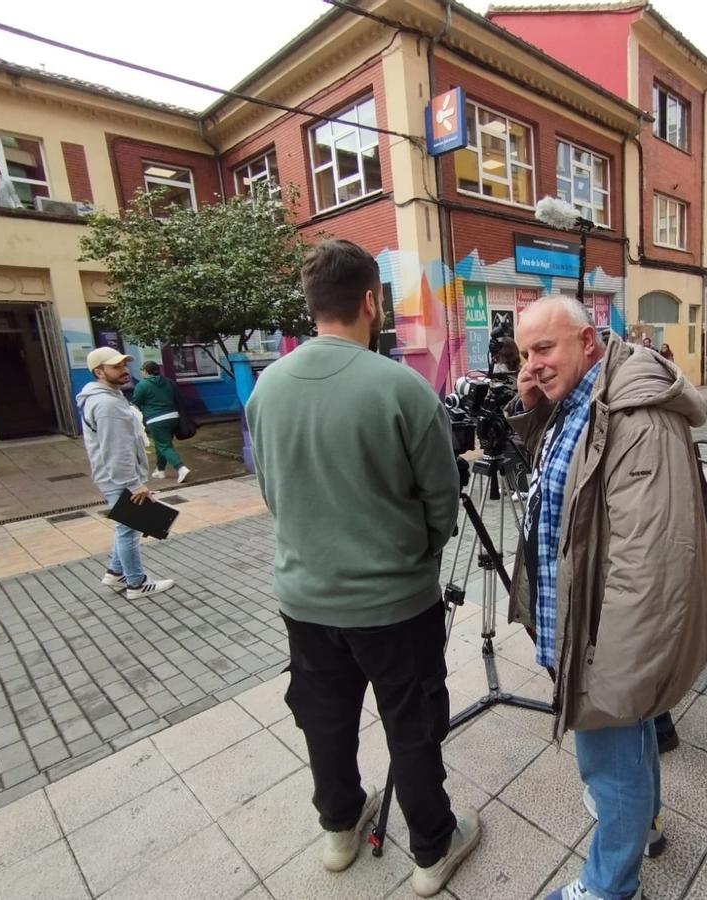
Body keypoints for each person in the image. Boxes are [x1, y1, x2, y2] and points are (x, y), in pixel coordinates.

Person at [246, 239, 479, 896]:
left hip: (305, 600)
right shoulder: (402, 388)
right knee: (412, 722)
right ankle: (432, 850)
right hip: (397, 605)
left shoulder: (267, 390)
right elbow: (442, 498)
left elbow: (272, 492)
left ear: (312, 305)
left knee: (325, 719)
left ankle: (339, 831)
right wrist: (416, 553)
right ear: (371, 301)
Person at [510, 297, 707, 900]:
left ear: (588, 342)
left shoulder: (636, 418)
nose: (532, 364)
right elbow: (564, 480)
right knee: (630, 747)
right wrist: (530, 408)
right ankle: (648, 823)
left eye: (544, 349)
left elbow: (652, 564)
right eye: (524, 352)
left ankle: (609, 887)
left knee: (610, 762)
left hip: (605, 635)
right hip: (578, 615)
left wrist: (617, 673)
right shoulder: (582, 398)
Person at [76, 347, 175, 600]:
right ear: (99, 371)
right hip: (119, 478)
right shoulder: (107, 403)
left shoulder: (108, 397)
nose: (124, 370)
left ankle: (115, 572)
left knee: (126, 525)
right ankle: (136, 583)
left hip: (114, 476)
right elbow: (116, 449)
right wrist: (134, 484)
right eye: (116, 366)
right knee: (129, 529)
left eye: (124, 365)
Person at [131, 360, 190, 484]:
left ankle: (181, 468)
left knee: (164, 445)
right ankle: (160, 470)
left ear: (146, 371)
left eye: (142, 369)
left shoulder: (142, 385)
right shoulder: (168, 381)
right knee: (162, 444)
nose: (141, 372)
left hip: (156, 419)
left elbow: (135, 402)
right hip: (173, 417)